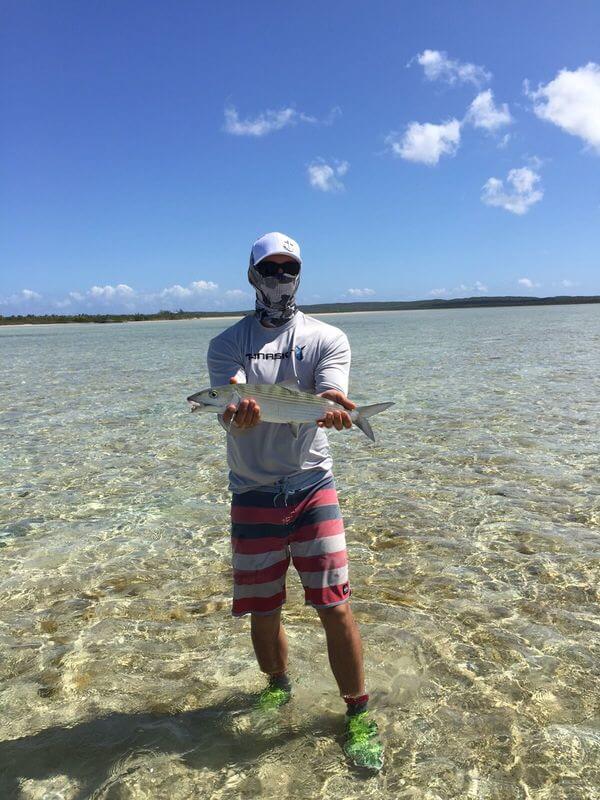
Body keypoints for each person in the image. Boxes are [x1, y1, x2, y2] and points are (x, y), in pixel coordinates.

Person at [207, 231, 383, 770]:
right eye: (270, 268)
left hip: (312, 485)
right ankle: (278, 686)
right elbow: (227, 402)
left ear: (299, 274)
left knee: (335, 604)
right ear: (252, 275)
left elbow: (329, 391)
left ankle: (356, 713)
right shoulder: (226, 344)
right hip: (252, 489)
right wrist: (232, 411)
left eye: (289, 268)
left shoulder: (327, 337)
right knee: (263, 608)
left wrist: (334, 407)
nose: (280, 277)